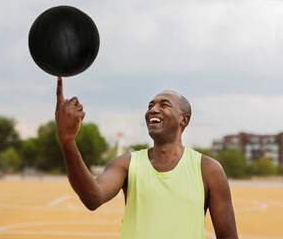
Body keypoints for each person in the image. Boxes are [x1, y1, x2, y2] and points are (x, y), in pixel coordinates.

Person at [55, 76, 238, 239]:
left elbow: (227, 235)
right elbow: (92, 198)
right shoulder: (126, 164)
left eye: (164, 105)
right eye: (150, 106)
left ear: (184, 119)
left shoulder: (208, 170)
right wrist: (67, 141)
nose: (153, 109)